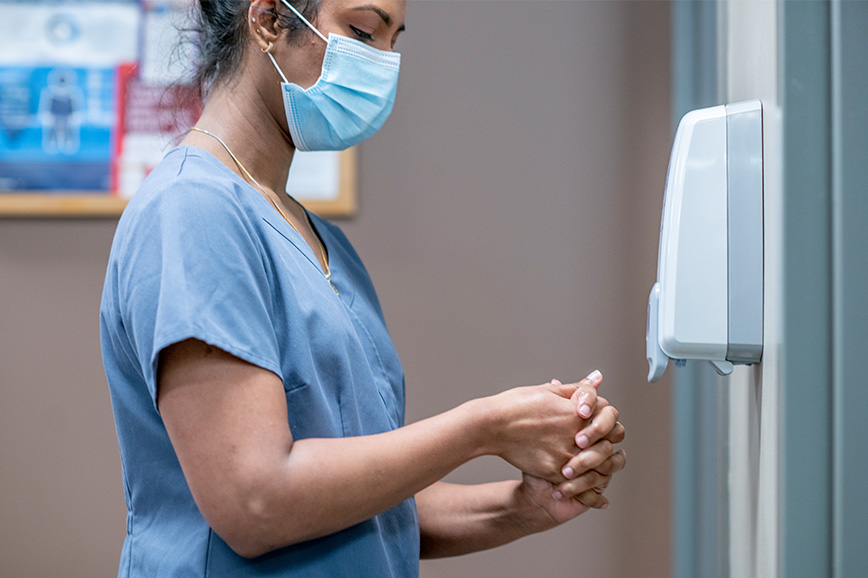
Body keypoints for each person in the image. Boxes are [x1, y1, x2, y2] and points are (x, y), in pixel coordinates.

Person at [99, 0, 627, 576]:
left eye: (393, 41)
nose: (383, 62)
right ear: (269, 20)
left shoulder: (318, 241)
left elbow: (369, 501)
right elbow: (257, 502)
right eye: (363, 31)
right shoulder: (193, 210)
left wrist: (529, 505)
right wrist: (486, 427)